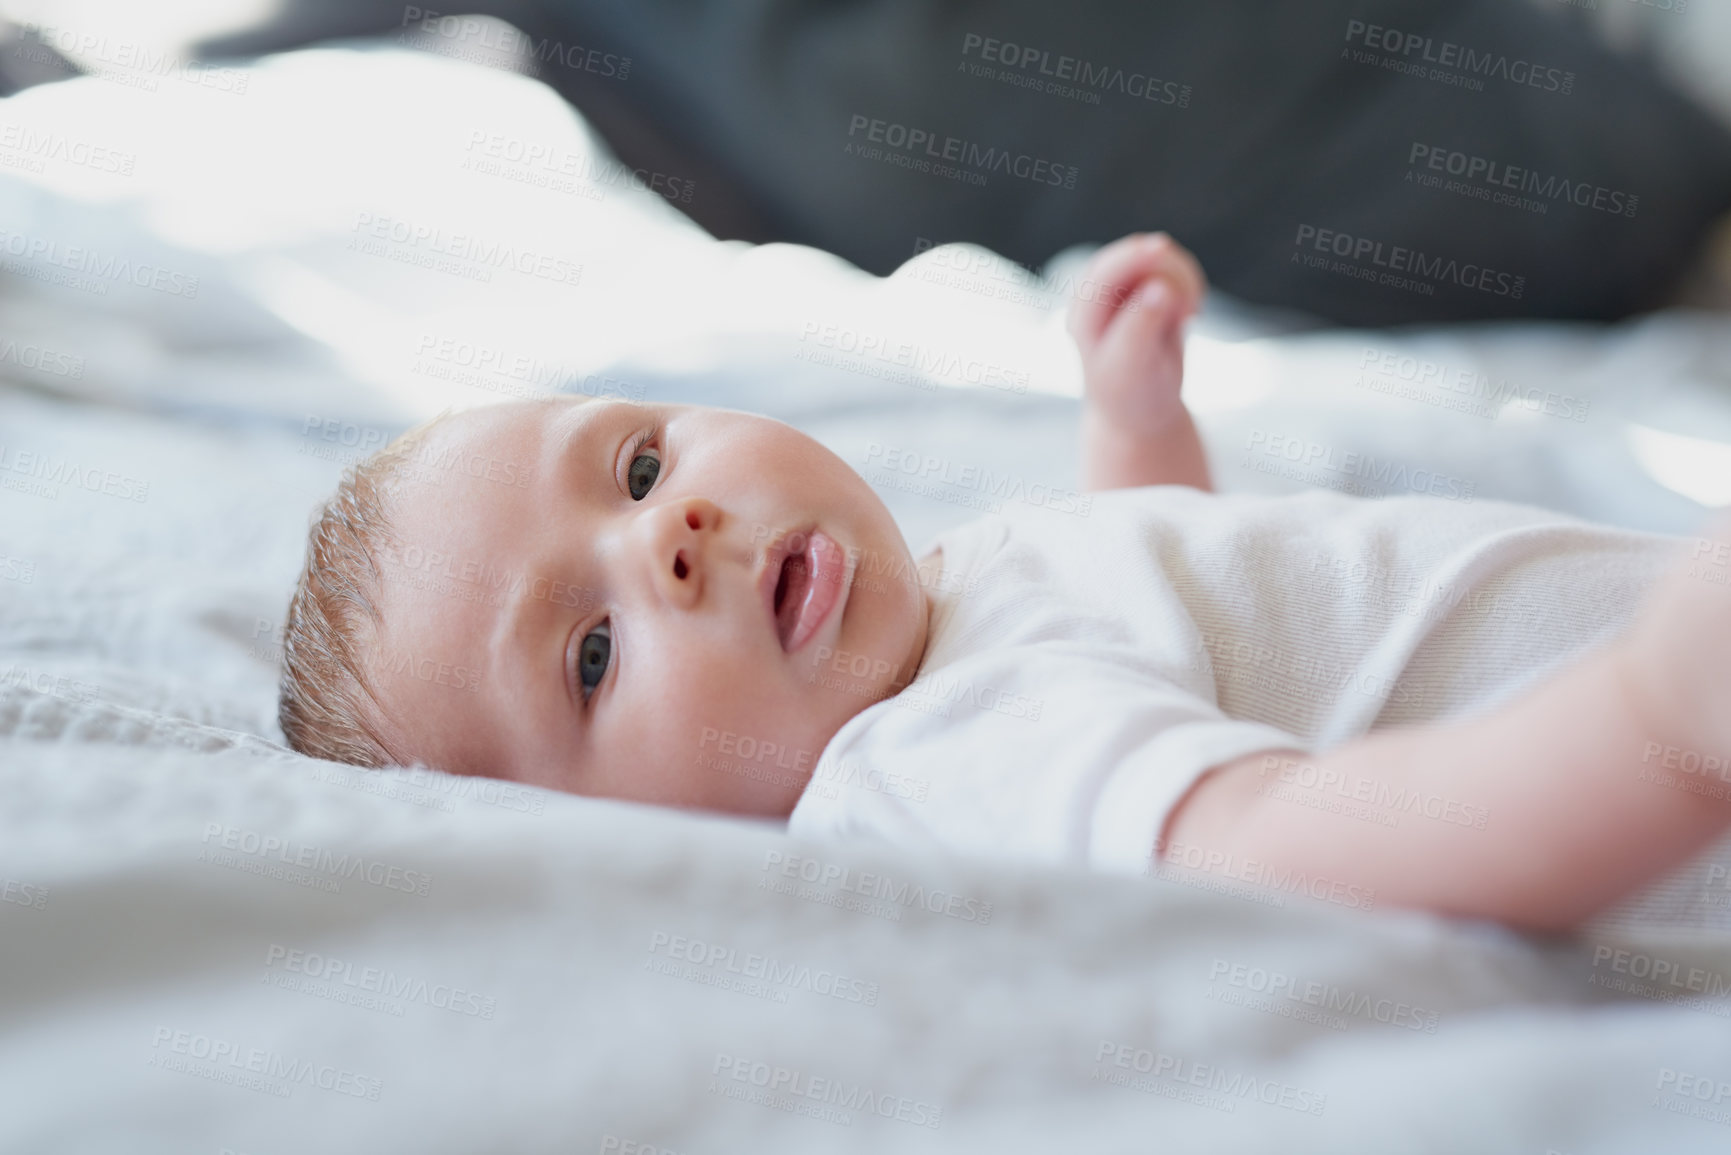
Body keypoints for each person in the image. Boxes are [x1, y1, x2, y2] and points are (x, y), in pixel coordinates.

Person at [278, 232, 1731, 933]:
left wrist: (1135, 427)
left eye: (642, 465)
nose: (670, 537)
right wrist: (1657, 722)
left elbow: (1161, 624)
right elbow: (1291, 847)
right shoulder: (929, 754)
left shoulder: (943, 621)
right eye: (591, 657)